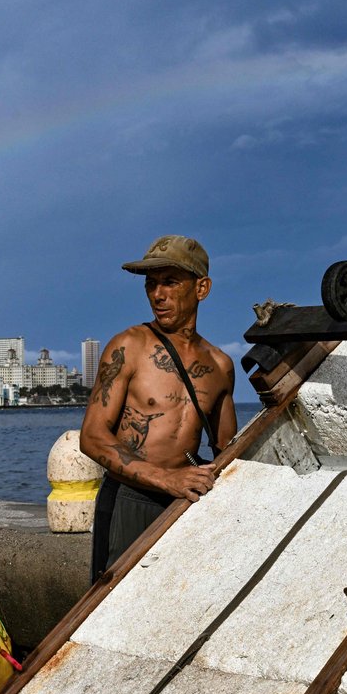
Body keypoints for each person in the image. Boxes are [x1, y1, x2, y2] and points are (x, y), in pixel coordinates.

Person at [81, 235, 237, 579]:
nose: (157, 295)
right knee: (110, 608)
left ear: (202, 288)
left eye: (169, 282)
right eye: (151, 284)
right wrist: (166, 478)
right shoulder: (129, 346)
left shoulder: (220, 365)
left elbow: (228, 453)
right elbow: (91, 437)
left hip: (185, 504)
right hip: (130, 500)